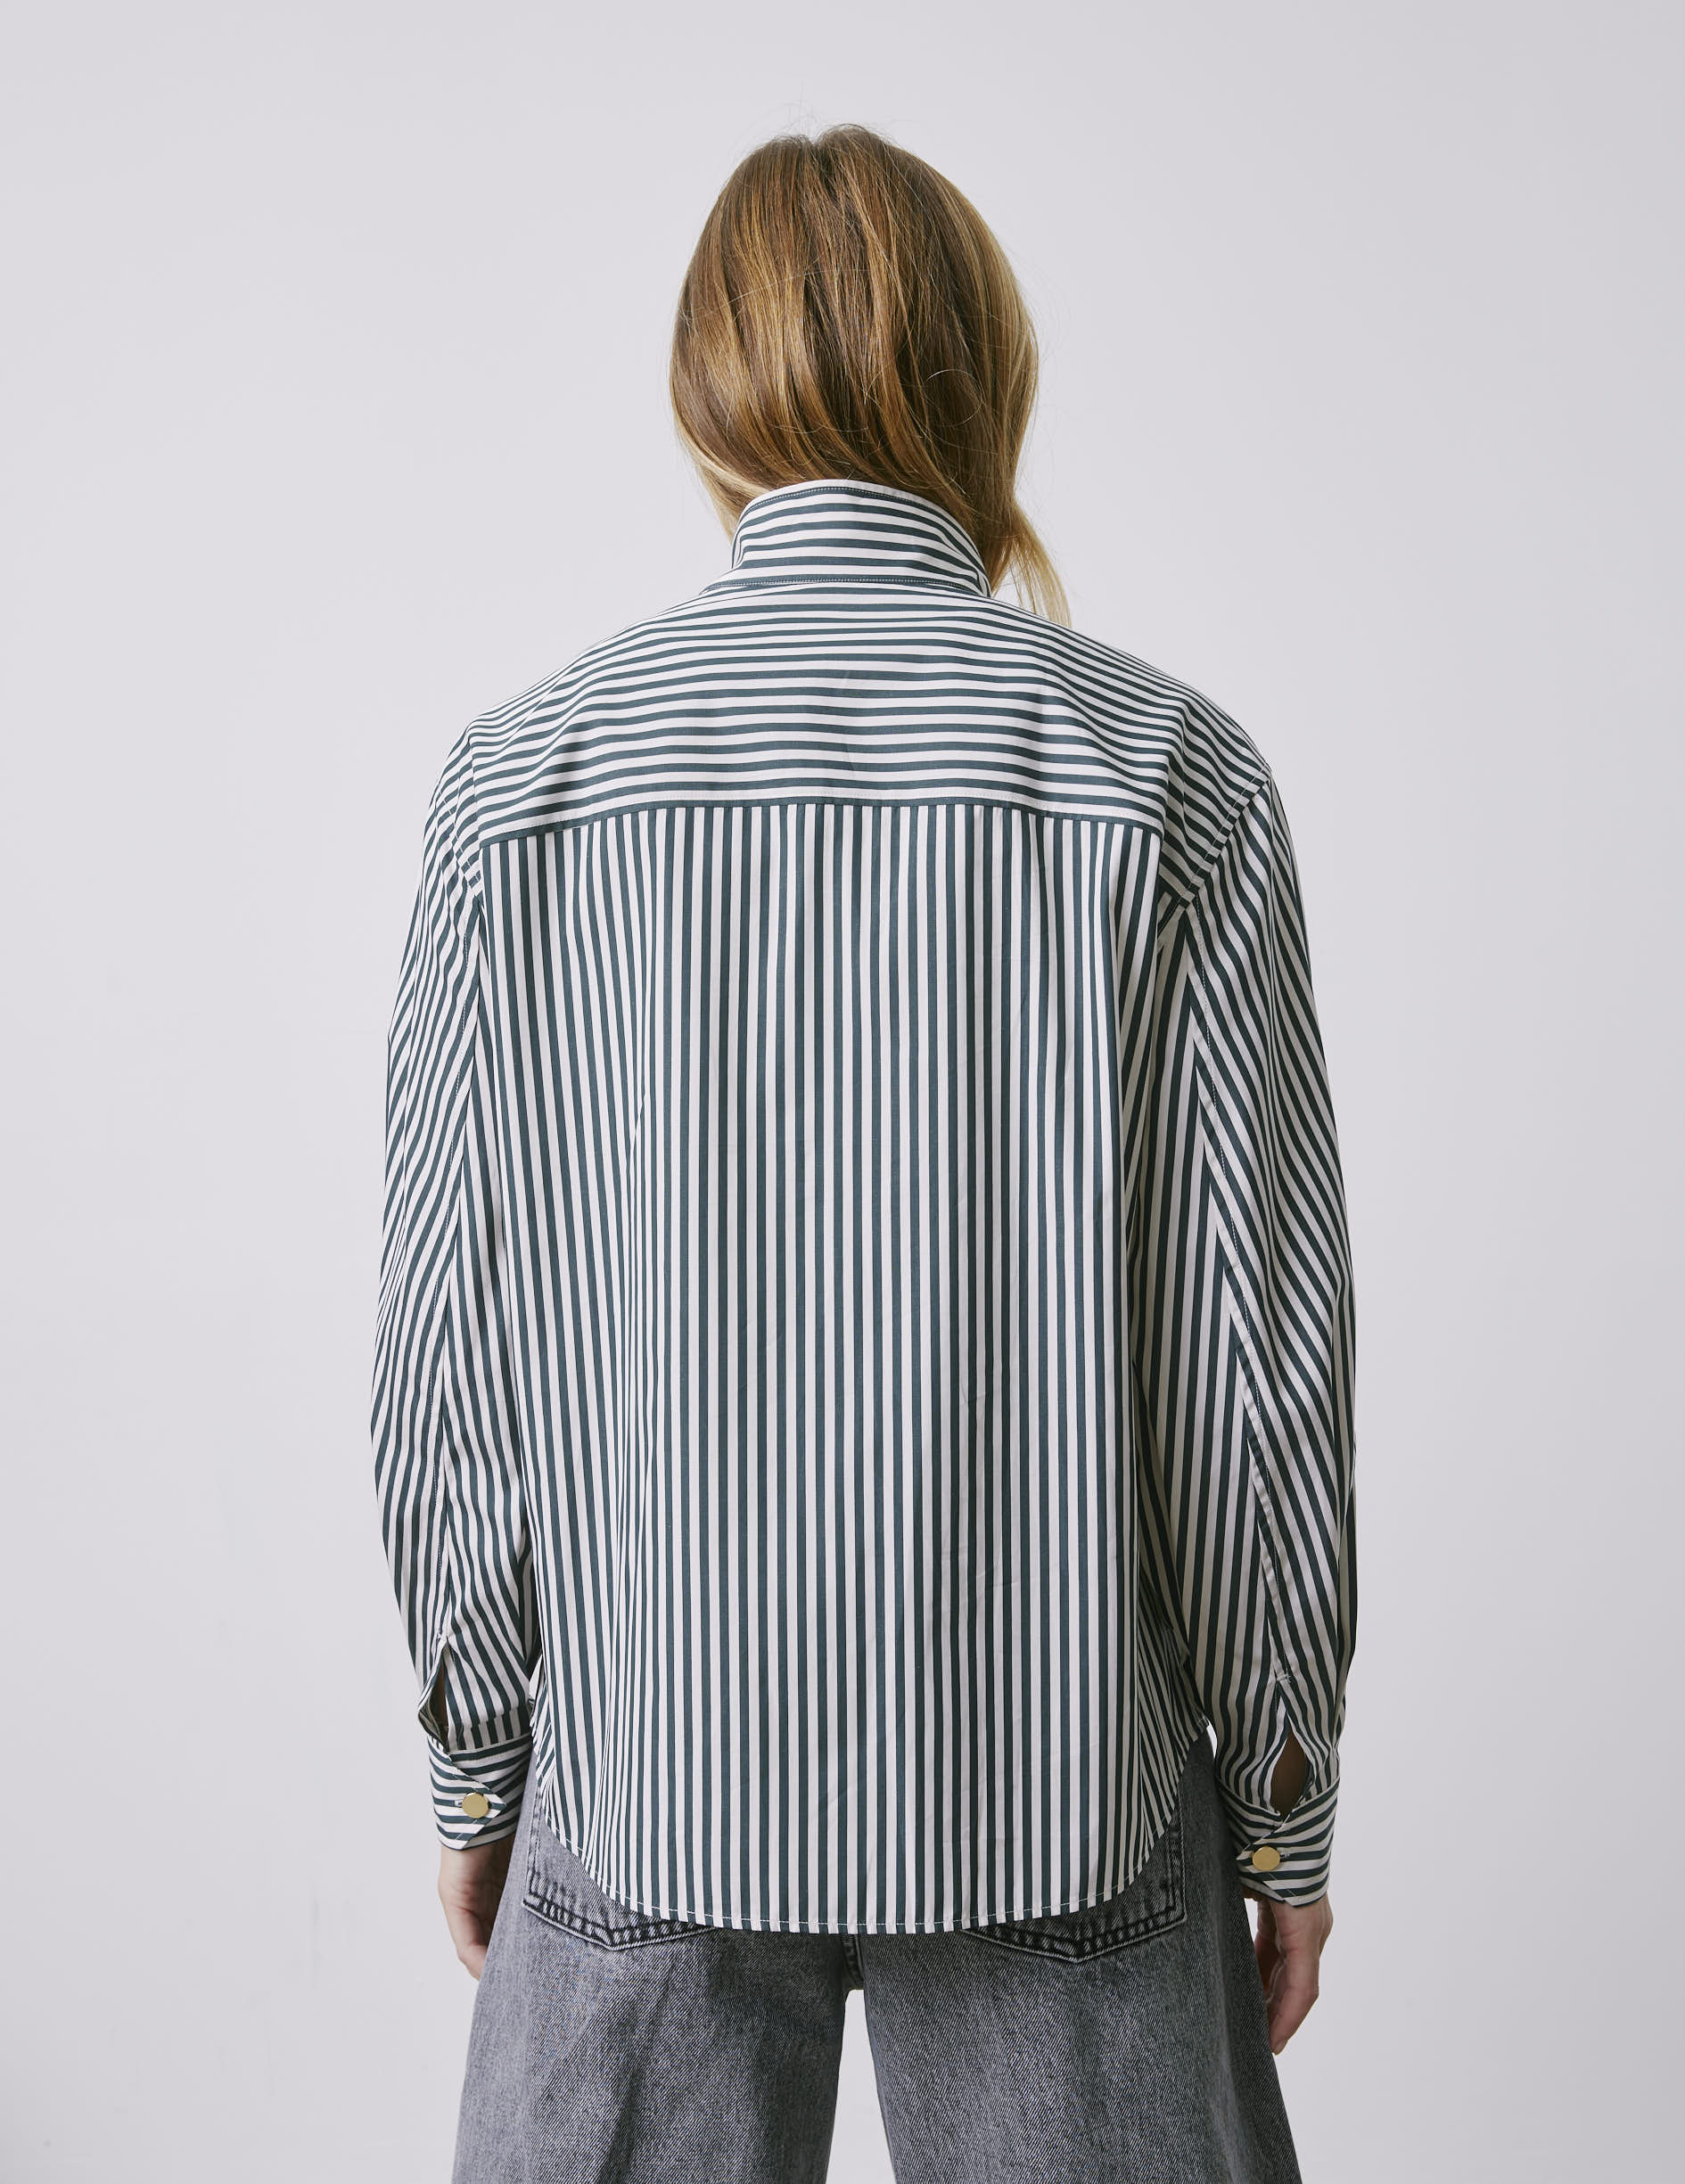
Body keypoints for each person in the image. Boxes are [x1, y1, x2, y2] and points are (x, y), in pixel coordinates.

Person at [372, 121, 1357, 2184]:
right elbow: (1248, 1374)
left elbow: (451, 1349)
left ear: (705, 393)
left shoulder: (519, 787)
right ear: (989, 377)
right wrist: (1281, 1802)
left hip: (644, 1787)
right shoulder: (1165, 776)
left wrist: (479, 1755)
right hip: (1060, 1796)